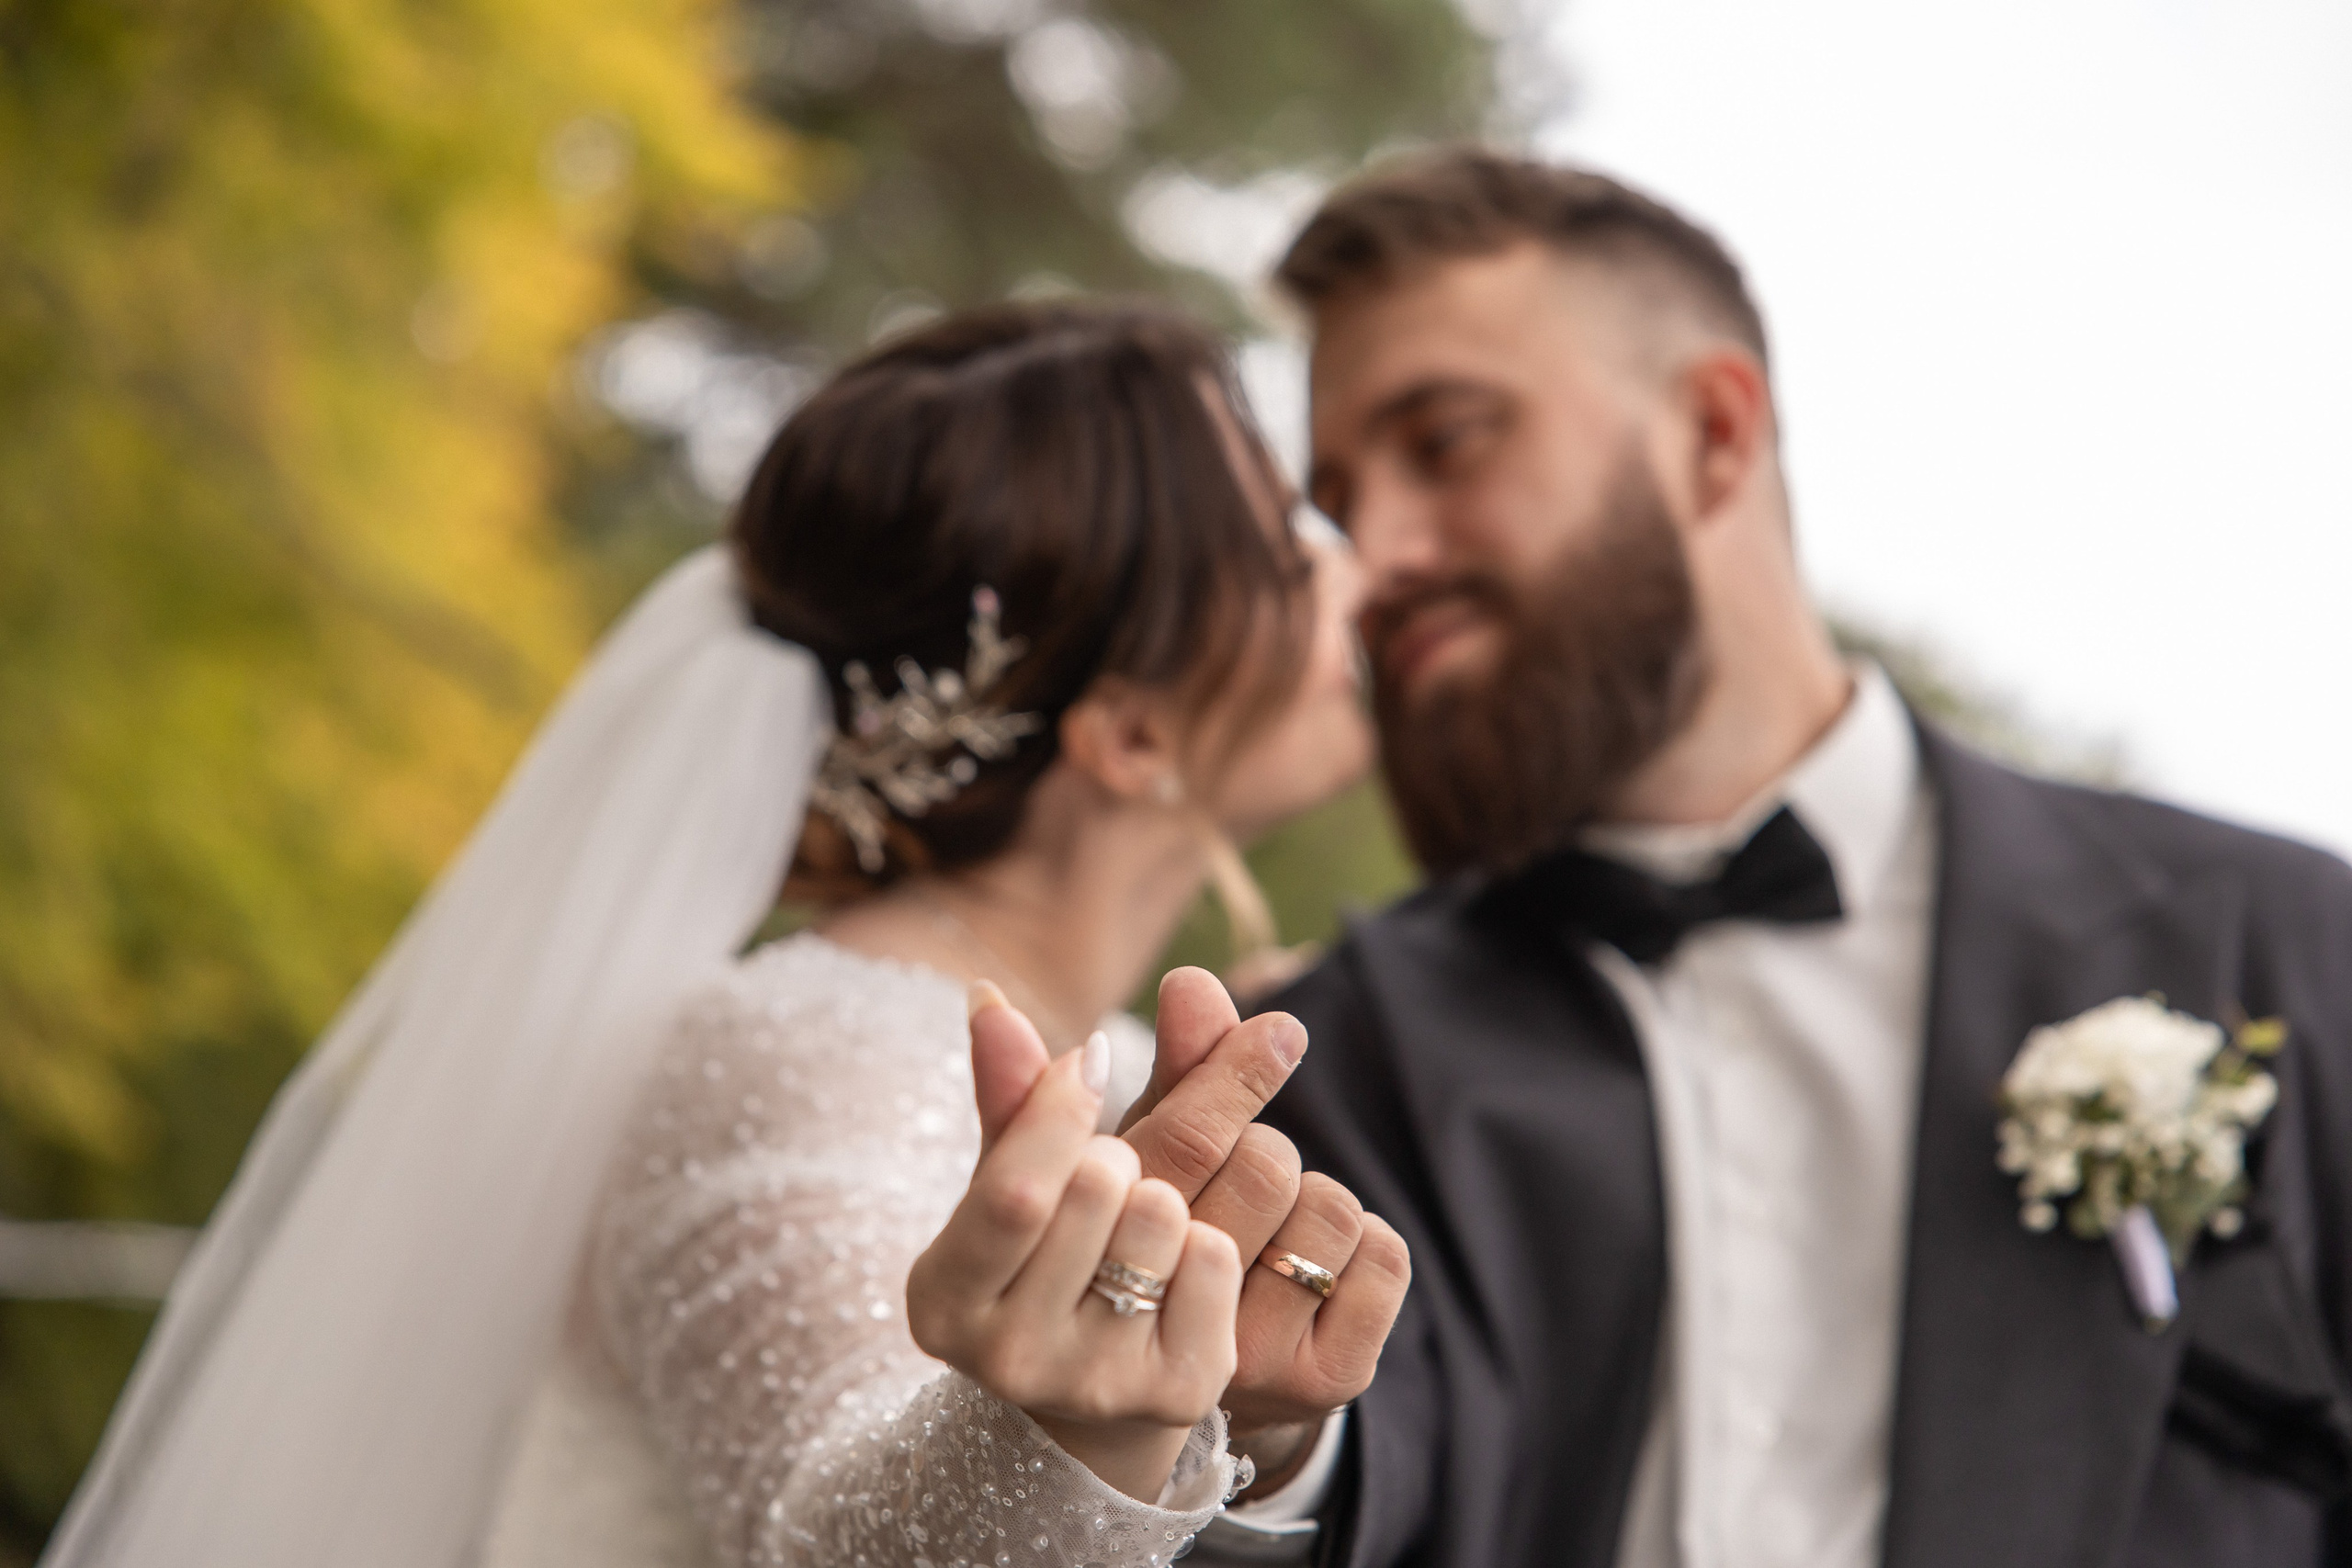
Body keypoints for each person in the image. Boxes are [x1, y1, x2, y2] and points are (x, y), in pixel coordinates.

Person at [42, 302, 1408, 1568]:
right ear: (1134, 732)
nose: (1352, 570)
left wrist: (1260, 1426)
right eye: (1290, 540)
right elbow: (815, 1525)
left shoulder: (1112, 1060)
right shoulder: (793, 1051)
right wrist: (1063, 1441)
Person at [1238, 147, 2352, 1568]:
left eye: (1447, 441)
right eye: (1337, 500)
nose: (1373, 555)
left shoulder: (2276, 942)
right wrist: (1260, 1443)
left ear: (1713, 431)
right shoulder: (1341, 1047)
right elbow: (1348, 1473)